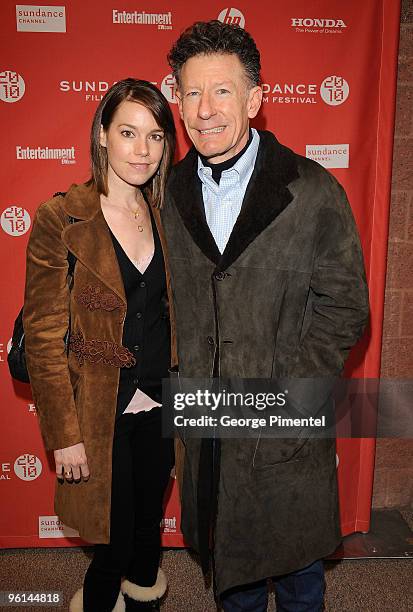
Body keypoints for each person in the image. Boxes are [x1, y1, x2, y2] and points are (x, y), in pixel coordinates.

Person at [162, 21, 370, 612]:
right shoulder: (169, 193)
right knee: (235, 584)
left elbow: (346, 304)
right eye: (191, 93)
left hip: (285, 431)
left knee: (301, 580)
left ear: (254, 99)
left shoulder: (311, 189)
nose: (204, 111)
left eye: (221, 92)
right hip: (208, 430)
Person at [23, 78, 176, 612]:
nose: (143, 151)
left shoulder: (169, 216)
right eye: (129, 133)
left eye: (155, 137)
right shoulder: (61, 218)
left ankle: (143, 601)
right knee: (110, 544)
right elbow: (43, 339)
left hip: (161, 402)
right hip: (96, 409)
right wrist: (64, 436)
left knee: (147, 538)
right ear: (103, 136)